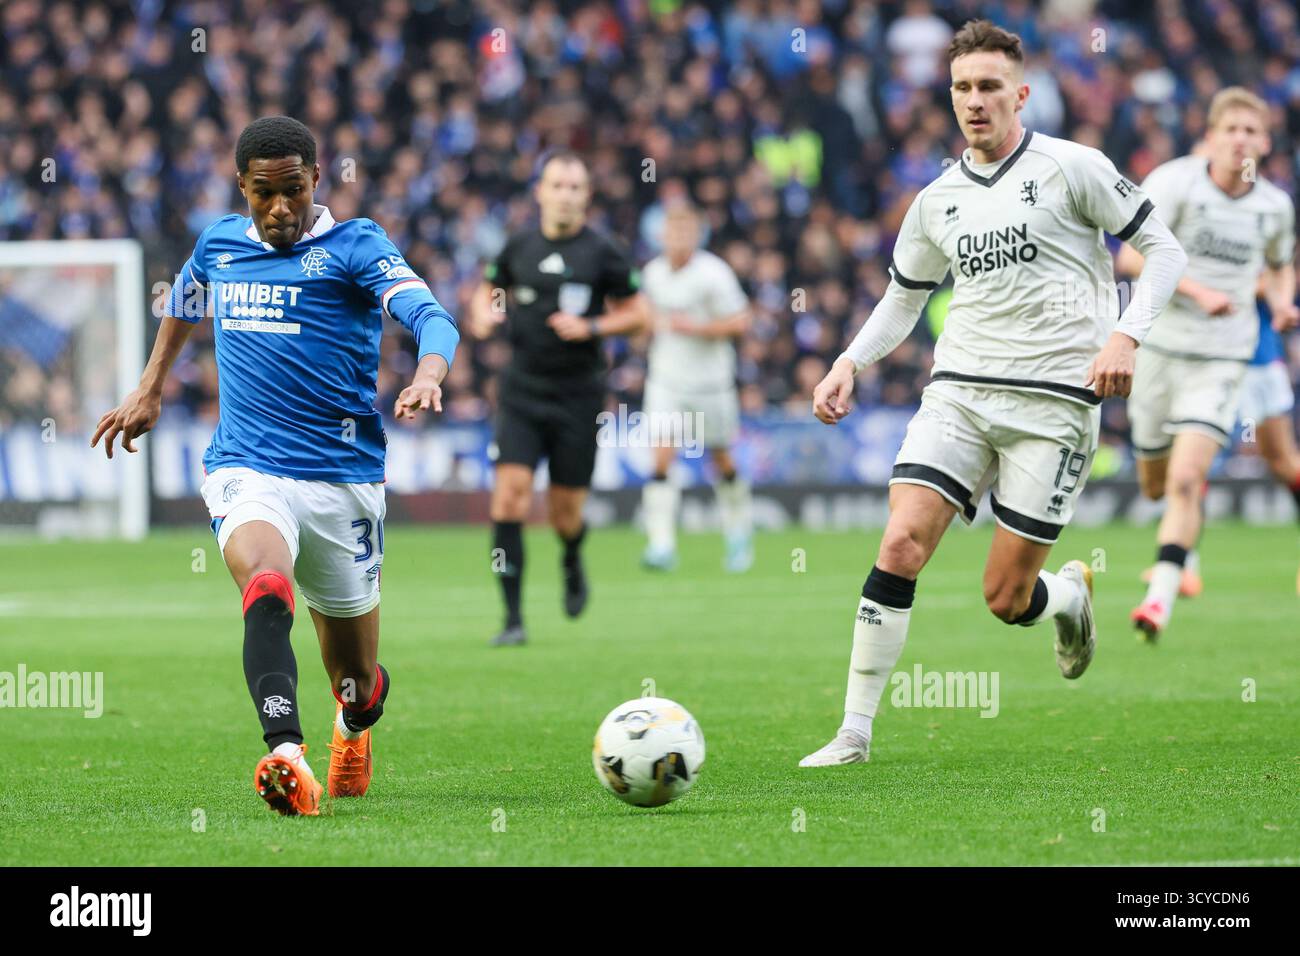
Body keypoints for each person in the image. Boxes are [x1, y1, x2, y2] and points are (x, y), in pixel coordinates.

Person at [800, 20, 1187, 767]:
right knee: (901, 541)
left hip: (1054, 406)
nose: (975, 102)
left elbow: (1164, 251)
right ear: (950, 97)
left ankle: (1067, 597)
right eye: (962, 89)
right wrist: (849, 359)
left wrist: (1126, 335)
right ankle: (855, 730)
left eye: (988, 87)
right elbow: (903, 298)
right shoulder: (937, 200)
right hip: (961, 393)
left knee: (1006, 599)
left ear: (1021, 93)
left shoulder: (1074, 167)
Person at [91, 116, 459, 814]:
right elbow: (185, 300)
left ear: (317, 180)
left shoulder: (356, 246)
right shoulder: (220, 243)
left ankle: (352, 725)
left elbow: (432, 317)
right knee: (264, 584)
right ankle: (285, 752)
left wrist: (429, 373)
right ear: (243, 187)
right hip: (248, 468)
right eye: (265, 193)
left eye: (293, 190)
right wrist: (150, 385)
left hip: (344, 482)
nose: (280, 207)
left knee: (356, 680)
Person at [1119, 87, 1297, 640]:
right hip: (1159, 350)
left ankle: (1161, 597)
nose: (1241, 139)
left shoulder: (1275, 206)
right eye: (1231, 130)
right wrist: (1197, 291)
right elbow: (1129, 255)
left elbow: (1279, 264)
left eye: (1251, 130)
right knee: (1154, 481)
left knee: (1189, 476)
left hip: (1223, 358)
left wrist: (1283, 300)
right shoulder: (1174, 182)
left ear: (1264, 142)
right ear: (1212, 137)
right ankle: (1178, 561)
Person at [467, 151, 646, 647]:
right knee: (509, 498)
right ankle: (512, 619)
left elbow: (639, 313)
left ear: (586, 196)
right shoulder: (519, 245)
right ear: (541, 192)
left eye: (575, 187)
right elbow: (487, 290)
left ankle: (570, 557)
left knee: (565, 513)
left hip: (578, 396)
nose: (565, 194)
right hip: (522, 390)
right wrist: (484, 315)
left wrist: (591, 325)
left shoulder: (604, 252)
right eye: (558, 185)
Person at [640, 202, 754, 573]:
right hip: (666, 380)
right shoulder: (652, 273)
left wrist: (699, 328)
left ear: (697, 236)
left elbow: (740, 322)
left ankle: (738, 535)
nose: (678, 240)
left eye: (686, 233)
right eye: (673, 232)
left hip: (711, 384)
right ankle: (661, 545)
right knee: (661, 458)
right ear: (662, 235)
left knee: (719, 458)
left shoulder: (714, 273)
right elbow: (648, 321)